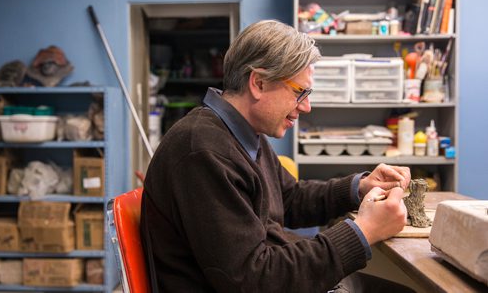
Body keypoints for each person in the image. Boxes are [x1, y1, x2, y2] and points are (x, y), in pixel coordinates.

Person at [141, 20, 413, 292]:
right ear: (258, 83)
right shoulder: (203, 151)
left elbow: (288, 199)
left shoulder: (241, 134)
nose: (306, 106)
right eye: (299, 92)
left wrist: (359, 187)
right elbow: (253, 280)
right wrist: (363, 231)